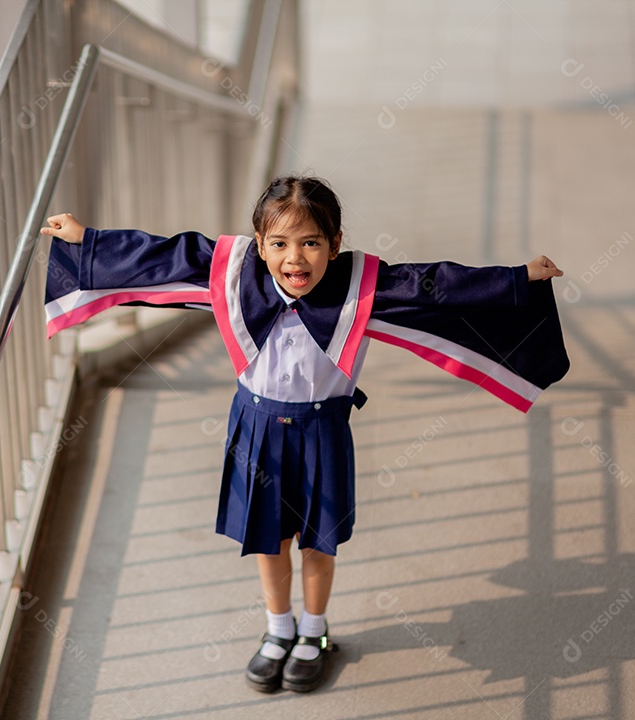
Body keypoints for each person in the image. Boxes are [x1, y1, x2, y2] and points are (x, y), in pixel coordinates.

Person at [40, 175, 569, 694]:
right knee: (268, 541)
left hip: (322, 432)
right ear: (259, 247)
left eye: (311, 242)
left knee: (318, 544)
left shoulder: (363, 289)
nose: (296, 258)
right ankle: (278, 630)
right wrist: (87, 241)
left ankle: (314, 634)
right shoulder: (228, 276)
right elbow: (161, 256)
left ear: (335, 245)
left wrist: (518, 280)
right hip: (257, 430)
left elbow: (436, 286)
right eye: (280, 244)